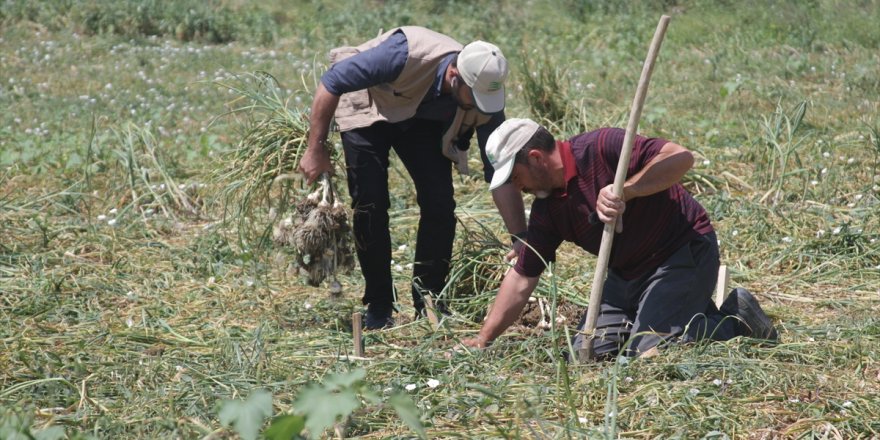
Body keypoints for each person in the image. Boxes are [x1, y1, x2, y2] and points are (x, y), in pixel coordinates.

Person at [462, 118, 778, 357]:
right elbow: (521, 278)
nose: (518, 188)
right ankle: (675, 313)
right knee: (587, 353)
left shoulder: (601, 147)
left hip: (680, 254)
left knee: (650, 353)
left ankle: (736, 318)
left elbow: (681, 158)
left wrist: (626, 189)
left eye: (516, 178)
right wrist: (483, 339)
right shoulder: (548, 210)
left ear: (534, 158)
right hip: (625, 277)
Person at [298, 27, 527, 330]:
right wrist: (316, 148)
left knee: (440, 203)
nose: (479, 104)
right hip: (370, 105)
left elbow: (498, 174)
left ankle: (429, 299)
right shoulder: (403, 55)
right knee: (371, 203)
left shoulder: (483, 99)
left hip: (420, 118)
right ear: (454, 76)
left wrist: (521, 239)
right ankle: (379, 304)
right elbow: (332, 82)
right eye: (474, 97)